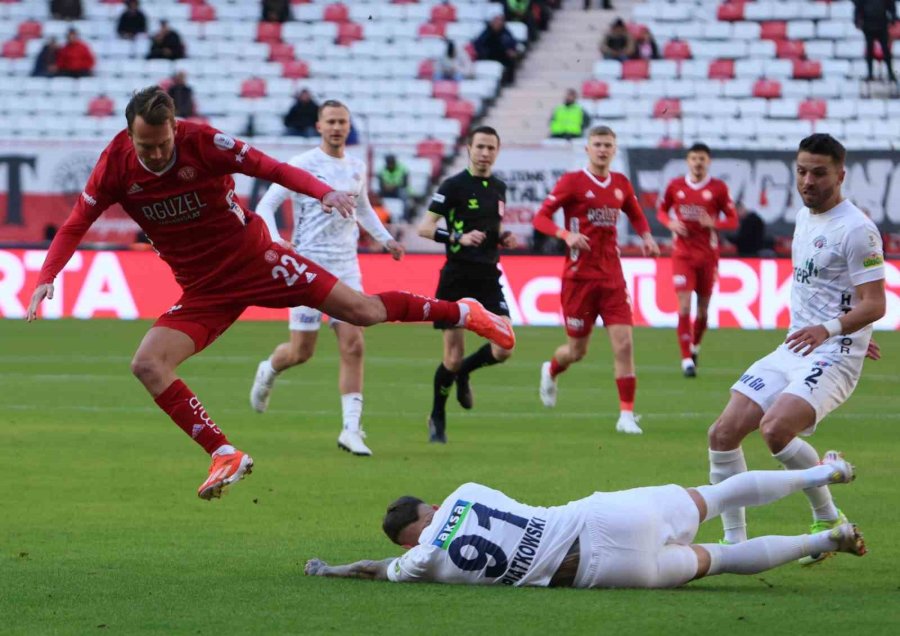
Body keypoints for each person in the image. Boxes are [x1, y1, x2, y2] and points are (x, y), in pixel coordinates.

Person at [25, 86, 515, 501]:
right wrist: (49, 273)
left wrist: (321, 191)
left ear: (174, 126)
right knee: (147, 364)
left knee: (361, 314)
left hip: (255, 260)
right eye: (143, 145)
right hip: (203, 289)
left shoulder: (204, 143)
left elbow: (271, 169)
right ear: (130, 133)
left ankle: (463, 311)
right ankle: (224, 453)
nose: (152, 154)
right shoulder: (115, 164)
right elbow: (76, 223)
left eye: (160, 144)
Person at [706, 134, 885, 564]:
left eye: (819, 173)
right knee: (722, 434)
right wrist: (849, 326)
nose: (807, 181)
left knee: (774, 430)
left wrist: (839, 332)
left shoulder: (857, 229)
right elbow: (837, 293)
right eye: (801, 171)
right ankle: (736, 543)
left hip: (832, 353)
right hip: (796, 345)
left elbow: (876, 303)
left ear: (840, 174)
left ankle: (827, 515)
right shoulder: (806, 218)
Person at [304, 452, 865, 587]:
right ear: (427, 506)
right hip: (597, 517)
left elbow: (376, 569)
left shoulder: (420, 561)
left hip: (599, 570)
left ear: (412, 532)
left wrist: (331, 570)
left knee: (716, 560)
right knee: (712, 499)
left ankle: (829, 538)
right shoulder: (463, 491)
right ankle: (823, 473)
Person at [250, 100, 405, 457]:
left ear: (349, 127)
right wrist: (276, 242)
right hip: (308, 267)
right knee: (300, 352)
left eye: (343, 122)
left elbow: (363, 208)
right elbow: (265, 206)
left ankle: (351, 430)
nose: (337, 127)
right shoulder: (302, 165)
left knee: (354, 344)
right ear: (319, 126)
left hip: (347, 267)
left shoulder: (355, 167)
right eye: (331, 121)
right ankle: (269, 368)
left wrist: (386, 240)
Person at [533, 125, 659, 435]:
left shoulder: (620, 183)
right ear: (587, 149)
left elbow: (636, 211)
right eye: (597, 144)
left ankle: (626, 415)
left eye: (608, 145)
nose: (603, 149)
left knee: (624, 344)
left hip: (612, 277)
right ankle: (550, 370)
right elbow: (541, 217)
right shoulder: (572, 182)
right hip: (579, 279)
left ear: (614, 150)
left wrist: (646, 236)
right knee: (577, 351)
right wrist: (565, 234)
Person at [417, 126, 518, 444]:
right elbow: (424, 228)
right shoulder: (452, 186)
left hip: (488, 276)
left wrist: (503, 237)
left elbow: (493, 226)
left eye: (491, 147)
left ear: (497, 152)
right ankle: (437, 415)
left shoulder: (499, 187)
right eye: (480, 147)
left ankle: (464, 373)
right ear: (468, 149)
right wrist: (457, 237)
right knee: (452, 356)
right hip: (457, 276)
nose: (485, 152)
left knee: (504, 348)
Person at [656, 143, 738, 378]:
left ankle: (694, 348)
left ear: (708, 161)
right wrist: (670, 223)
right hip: (683, 254)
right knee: (683, 304)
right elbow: (661, 211)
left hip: (708, 256)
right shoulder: (676, 186)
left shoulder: (718, 188)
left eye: (702, 159)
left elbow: (732, 220)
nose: (697, 163)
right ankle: (685, 360)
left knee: (702, 311)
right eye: (693, 158)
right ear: (688, 161)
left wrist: (715, 223)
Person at [854, 0, 897, 83]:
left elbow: (891, 6)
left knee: (886, 51)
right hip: (868, 26)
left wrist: (893, 17)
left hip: (882, 25)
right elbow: (858, 7)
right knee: (869, 50)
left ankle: (890, 74)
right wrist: (856, 20)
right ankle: (870, 74)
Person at [473, 15, 519, 85]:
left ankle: (508, 80)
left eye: (499, 21)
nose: (497, 23)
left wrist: (511, 51)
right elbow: (478, 44)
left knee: (511, 58)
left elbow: (513, 44)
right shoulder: (487, 32)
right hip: (488, 54)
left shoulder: (506, 32)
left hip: (502, 55)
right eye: (495, 22)